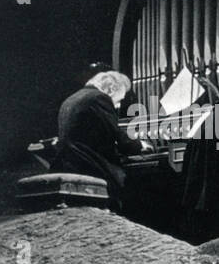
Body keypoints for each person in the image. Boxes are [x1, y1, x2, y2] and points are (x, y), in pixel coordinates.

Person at [51, 71, 150, 204]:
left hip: (70, 164)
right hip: (90, 167)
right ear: (111, 89)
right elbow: (120, 138)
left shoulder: (72, 99)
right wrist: (140, 145)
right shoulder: (99, 98)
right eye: (120, 100)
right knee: (136, 189)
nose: (119, 105)